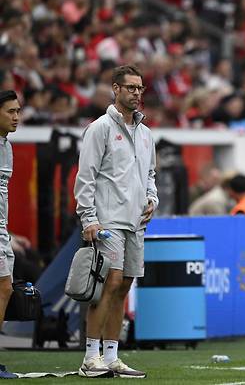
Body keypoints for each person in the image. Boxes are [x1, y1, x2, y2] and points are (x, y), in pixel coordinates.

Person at [74, 65, 158, 378]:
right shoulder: (100, 128)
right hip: (108, 220)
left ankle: (111, 356)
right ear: (116, 89)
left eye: (140, 88)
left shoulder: (146, 134)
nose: (137, 93)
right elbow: (86, 177)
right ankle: (89, 358)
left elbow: (150, 174)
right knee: (107, 285)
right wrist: (89, 217)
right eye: (131, 88)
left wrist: (152, 200)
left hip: (136, 221)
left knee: (124, 286)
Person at [0, 90, 21, 380]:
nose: (16, 117)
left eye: (18, 111)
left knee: (5, 290)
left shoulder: (7, 147)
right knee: (4, 288)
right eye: (10, 111)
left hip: (2, 231)